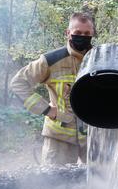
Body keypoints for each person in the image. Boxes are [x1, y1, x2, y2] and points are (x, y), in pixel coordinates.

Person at [10, 12, 95, 165]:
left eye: (87, 33)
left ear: (92, 33)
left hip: (93, 136)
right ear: (68, 33)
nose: (82, 36)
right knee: (55, 184)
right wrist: (47, 110)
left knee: (100, 182)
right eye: (77, 33)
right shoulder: (51, 60)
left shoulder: (99, 59)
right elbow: (18, 83)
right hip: (59, 138)